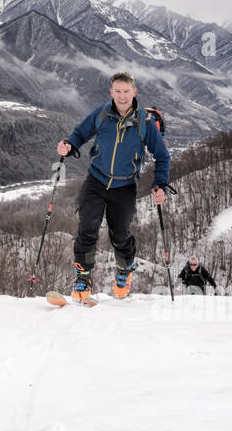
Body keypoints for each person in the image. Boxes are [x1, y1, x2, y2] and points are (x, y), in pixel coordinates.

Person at [57, 71, 170, 303]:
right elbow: (80, 133)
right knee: (87, 228)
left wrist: (160, 185)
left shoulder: (145, 123)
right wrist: (68, 145)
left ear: (134, 92)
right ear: (111, 92)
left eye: (126, 91)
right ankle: (83, 278)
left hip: (125, 186)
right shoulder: (101, 114)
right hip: (96, 180)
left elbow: (162, 156)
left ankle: (125, 270)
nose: (121, 96)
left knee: (119, 235)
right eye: (117, 91)